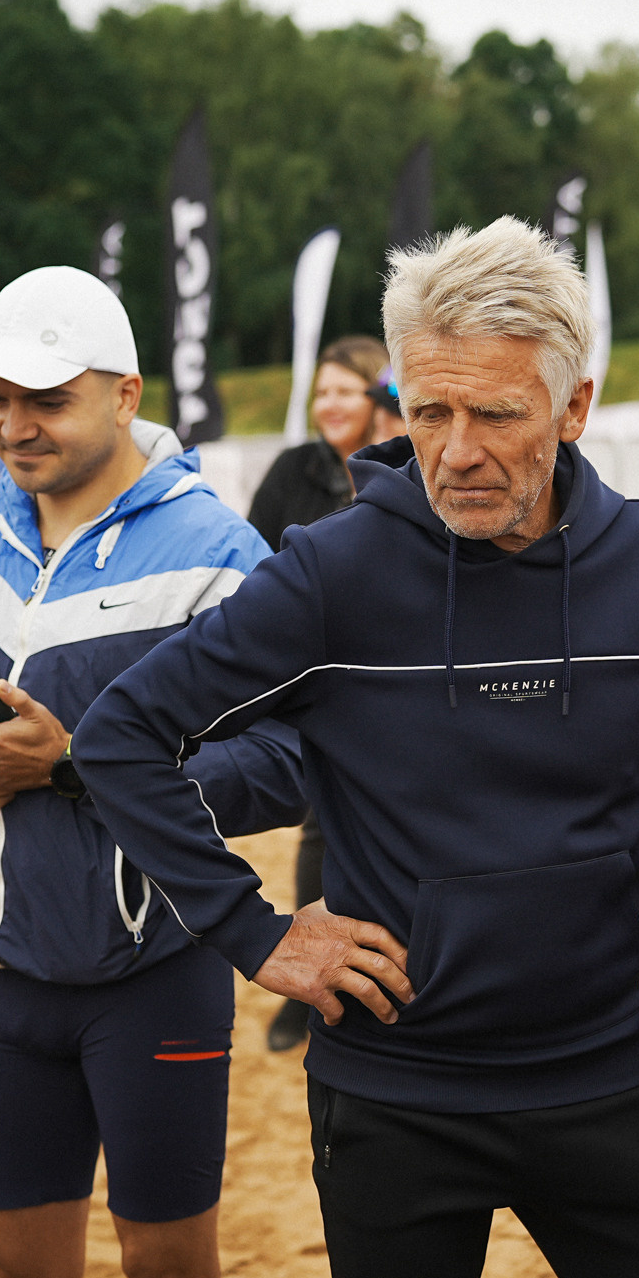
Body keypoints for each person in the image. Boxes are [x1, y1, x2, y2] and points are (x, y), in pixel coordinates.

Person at [74, 217, 639, 1278]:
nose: (456, 451)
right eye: (429, 408)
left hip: (597, 1076)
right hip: (396, 1102)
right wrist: (257, 932)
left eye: (498, 415)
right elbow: (125, 734)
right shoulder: (335, 573)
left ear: (575, 407)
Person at [0, 265, 305, 1278]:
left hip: (155, 976)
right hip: (6, 980)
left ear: (126, 393)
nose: (16, 425)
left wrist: (76, 766)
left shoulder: (221, 550)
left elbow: (284, 764)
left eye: (47, 400)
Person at [248, 335, 391, 1053]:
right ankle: (305, 993)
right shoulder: (292, 470)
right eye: (321, 392)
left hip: (392, 668)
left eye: (346, 390)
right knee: (318, 823)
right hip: (311, 673)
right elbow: (251, 564)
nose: (330, 404)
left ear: (377, 396)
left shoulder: (401, 464)